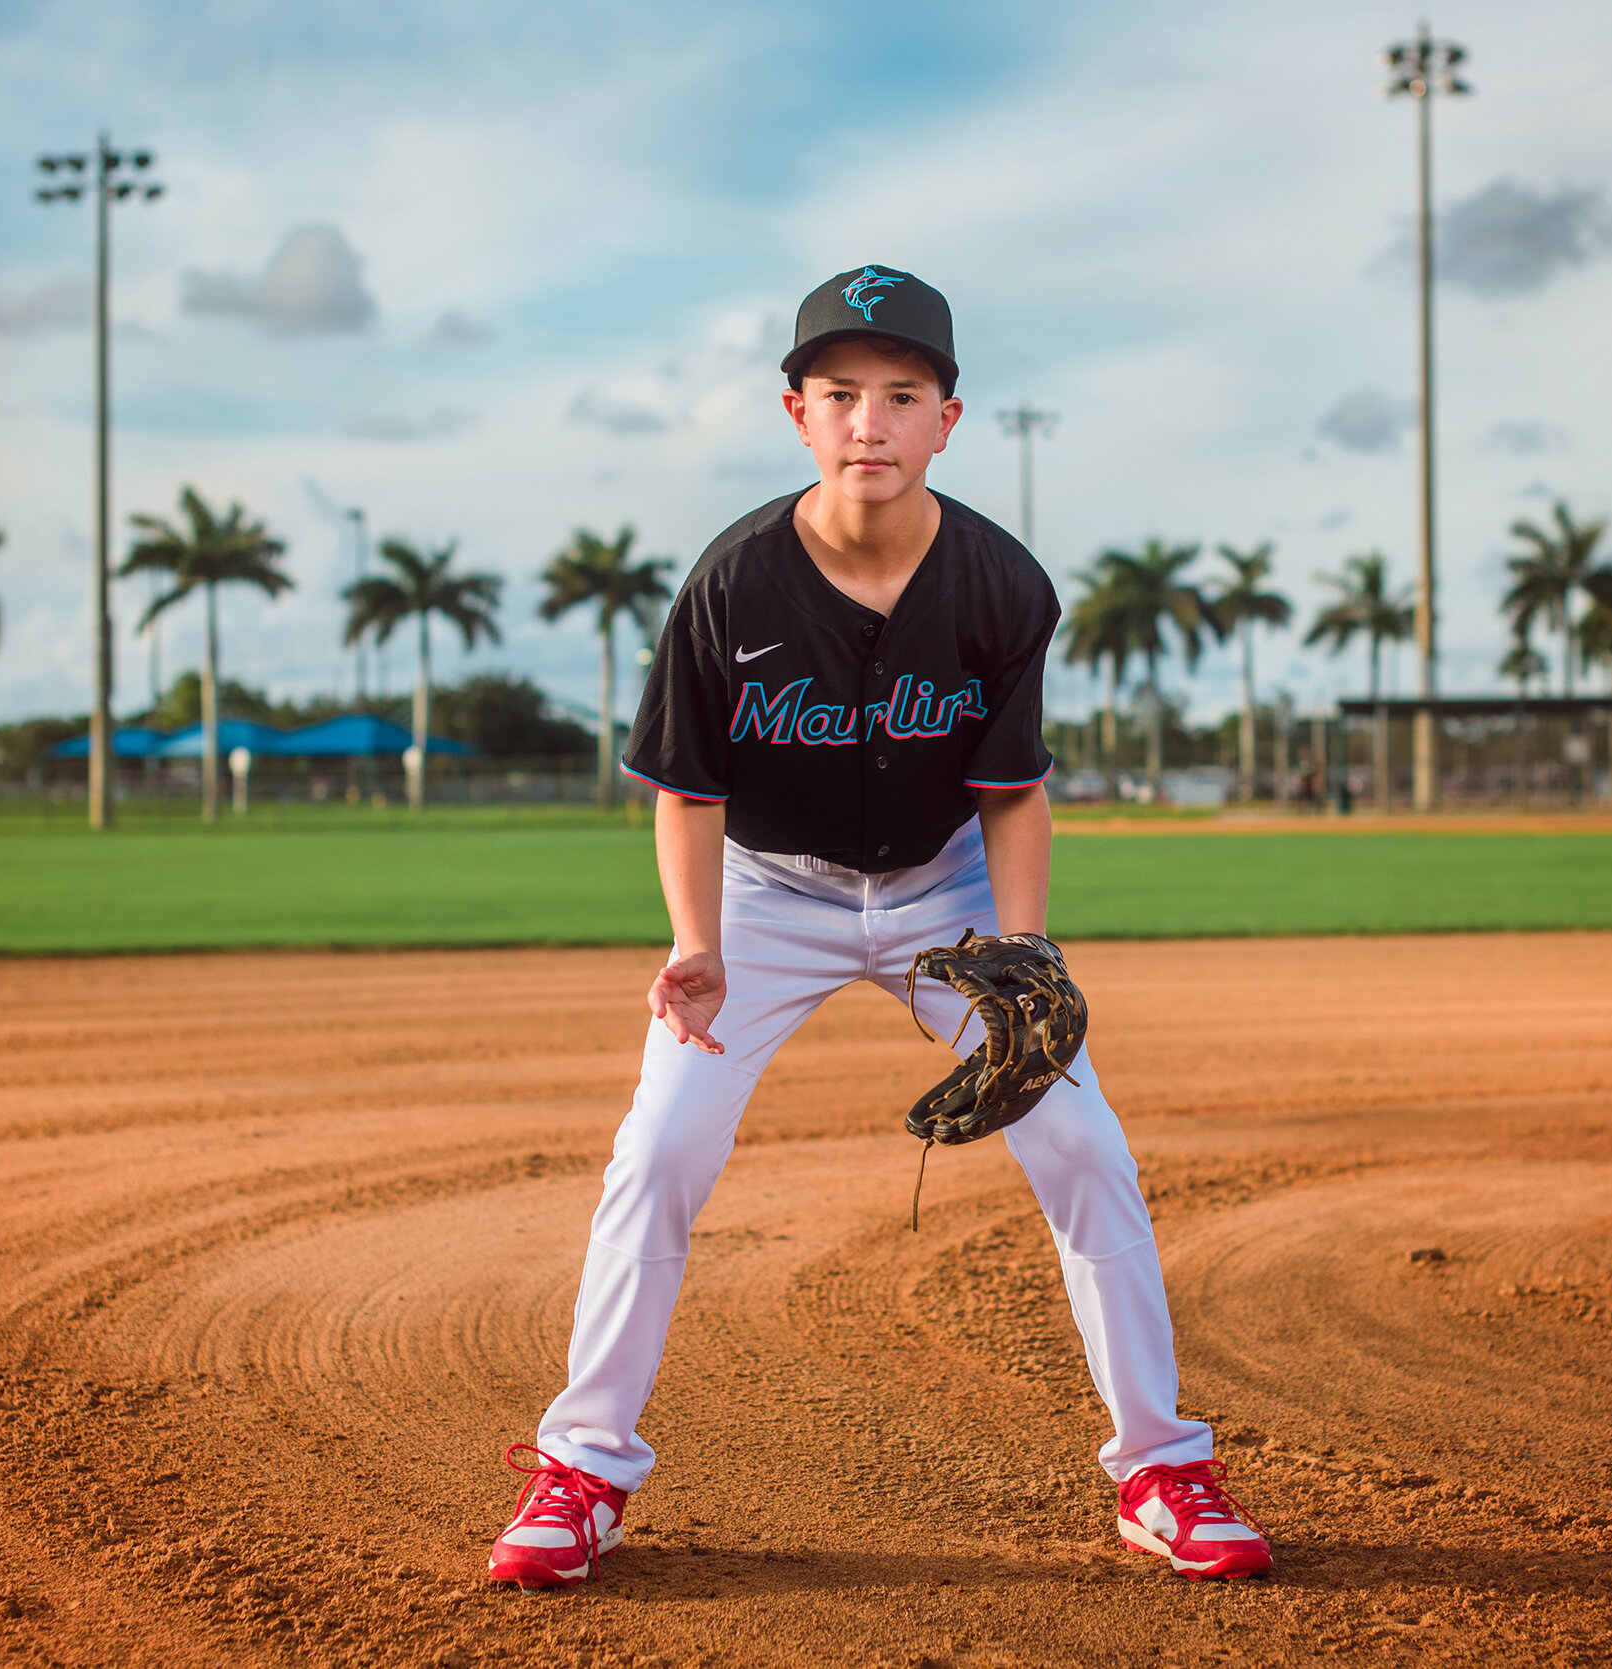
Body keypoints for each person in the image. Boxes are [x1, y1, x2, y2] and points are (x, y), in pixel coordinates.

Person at [487, 265, 1269, 1589]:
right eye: (842, 393)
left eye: (902, 394)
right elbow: (688, 792)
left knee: (1079, 1133)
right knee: (664, 1139)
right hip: (762, 895)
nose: (871, 421)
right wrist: (697, 943)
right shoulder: (731, 584)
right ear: (797, 412)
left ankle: (1161, 1466)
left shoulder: (1000, 587)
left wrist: (1018, 955)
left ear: (947, 419)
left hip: (944, 887)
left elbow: (1012, 796)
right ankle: (583, 1469)